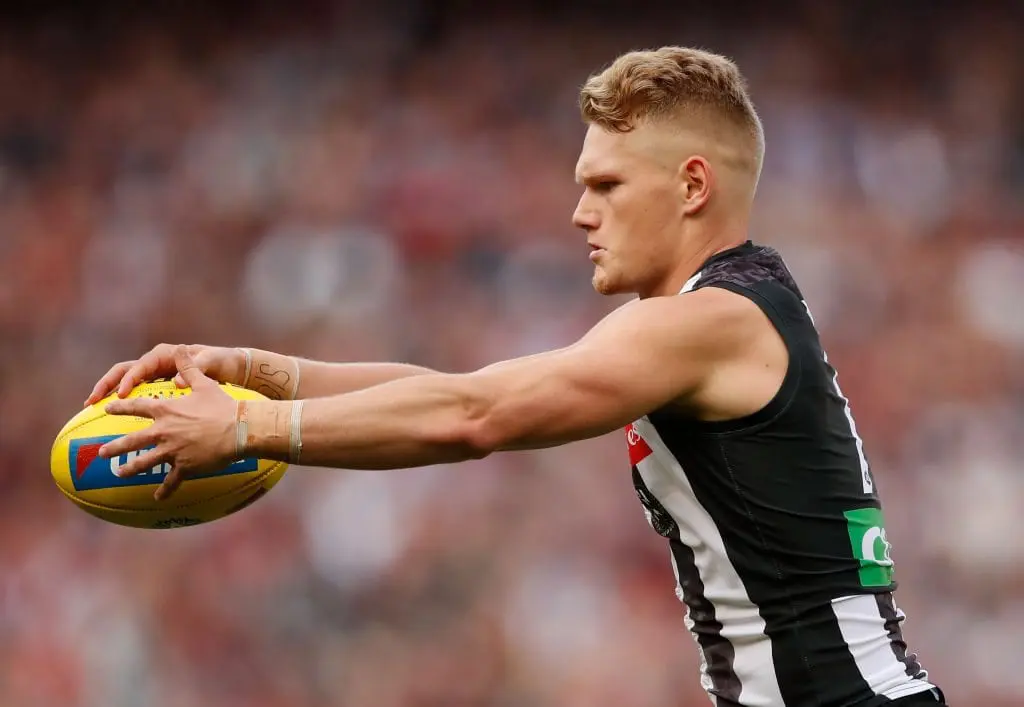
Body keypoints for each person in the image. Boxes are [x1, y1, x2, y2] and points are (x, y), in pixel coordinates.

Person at [85, 47, 946, 707]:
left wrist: (247, 428)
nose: (580, 212)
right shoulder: (720, 311)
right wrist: (257, 373)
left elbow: (474, 415)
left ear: (692, 186)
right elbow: (460, 386)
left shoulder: (708, 321)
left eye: (606, 184)